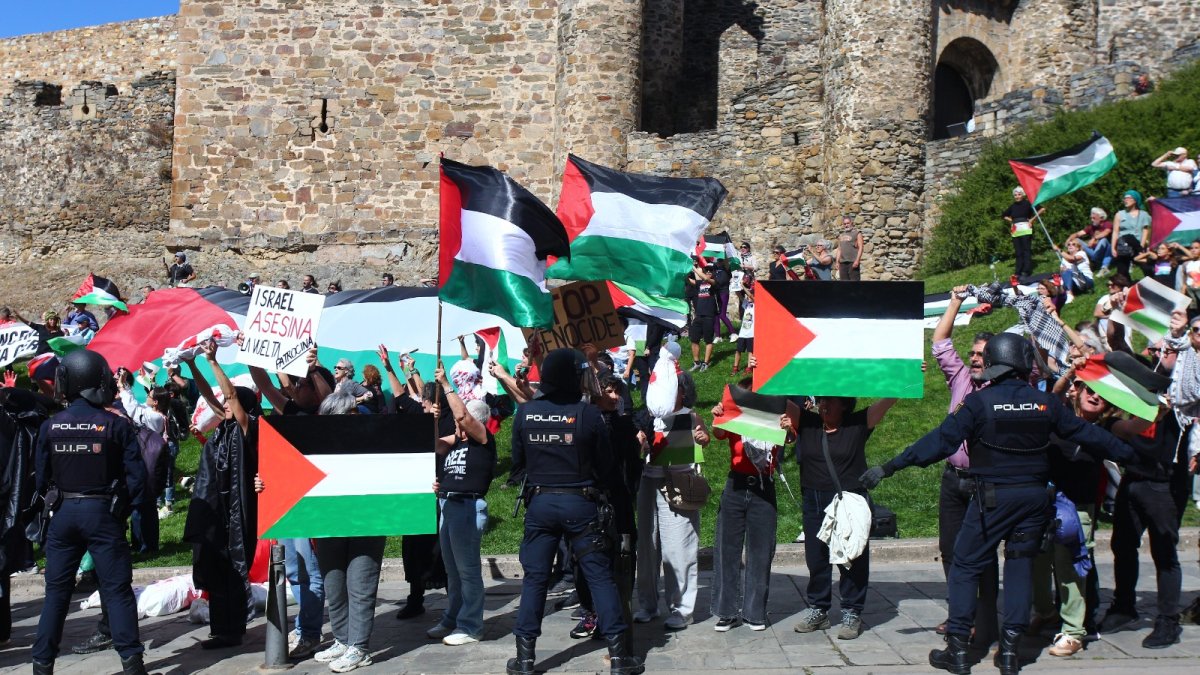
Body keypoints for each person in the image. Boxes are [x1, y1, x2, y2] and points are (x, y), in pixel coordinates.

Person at [860, 333, 1136, 675]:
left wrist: (889, 467)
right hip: (1034, 502)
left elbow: (940, 442)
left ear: (992, 363)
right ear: (1023, 362)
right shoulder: (1044, 403)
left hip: (991, 500)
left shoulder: (979, 403)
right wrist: (1134, 456)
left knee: (964, 566)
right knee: (1019, 567)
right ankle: (1009, 652)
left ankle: (958, 650)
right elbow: (1090, 435)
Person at [506, 348, 643, 675]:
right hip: (581, 504)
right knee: (600, 578)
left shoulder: (525, 413)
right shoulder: (588, 415)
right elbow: (607, 467)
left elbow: (516, 466)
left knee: (535, 579)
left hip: (539, 504)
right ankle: (619, 657)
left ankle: (525, 658)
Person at [32, 350, 149, 675]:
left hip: (64, 513)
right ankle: (132, 664)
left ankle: (42, 666)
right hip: (103, 514)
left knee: (56, 595)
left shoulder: (50, 426)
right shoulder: (115, 425)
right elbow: (138, 480)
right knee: (117, 591)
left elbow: (41, 479)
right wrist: (122, 511)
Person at [1101, 311, 1197, 649]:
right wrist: (1116, 312)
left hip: (1165, 483)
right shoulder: (1144, 381)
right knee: (1122, 545)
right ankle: (1123, 606)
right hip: (1135, 477)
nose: (1160, 354)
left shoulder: (1187, 389)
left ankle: (1167, 620)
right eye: (1156, 351)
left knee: (1163, 551)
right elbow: (1114, 347)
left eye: (1167, 351)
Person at [784, 394, 896, 640]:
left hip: (847, 501)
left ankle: (852, 611)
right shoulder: (808, 422)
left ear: (845, 404)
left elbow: (888, 400)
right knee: (816, 558)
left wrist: (907, 374)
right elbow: (777, 399)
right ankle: (819, 609)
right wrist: (761, 371)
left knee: (852, 559)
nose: (824, 404)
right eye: (822, 400)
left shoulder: (858, 423)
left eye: (831, 400)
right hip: (813, 501)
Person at [181, 340, 260, 650]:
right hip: (218, 510)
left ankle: (233, 629)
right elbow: (210, 396)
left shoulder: (247, 427)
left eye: (230, 403)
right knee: (215, 568)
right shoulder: (224, 427)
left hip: (237, 509)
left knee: (232, 570)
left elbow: (229, 396)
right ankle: (220, 629)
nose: (224, 406)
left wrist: (213, 361)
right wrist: (191, 365)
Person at [930, 287, 999, 638]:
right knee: (950, 550)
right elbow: (940, 341)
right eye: (972, 353)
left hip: (983, 482)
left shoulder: (1000, 390)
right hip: (952, 478)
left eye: (981, 355)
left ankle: (986, 619)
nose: (974, 359)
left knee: (982, 553)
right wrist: (955, 302)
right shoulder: (959, 379)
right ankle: (961, 613)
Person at [634, 369, 709, 630]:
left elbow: (704, 439)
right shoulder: (646, 417)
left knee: (679, 547)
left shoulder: (690, 417)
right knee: (646, 546)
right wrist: (639, 441)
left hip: (678, 484)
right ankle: (647, 603)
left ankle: (681, 609)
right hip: (648, 482)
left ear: (683, 392)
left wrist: (702, 437)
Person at [427, 366, 495, 646]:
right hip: (448, 504)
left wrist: (445, 384)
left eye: (460, 422)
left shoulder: (483, 440)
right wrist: (429, 420)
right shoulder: (454, 443)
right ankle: (453, 617)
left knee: (467, 570)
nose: (456, 424)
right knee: (451, 569)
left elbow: (462, 415)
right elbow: (432, 446)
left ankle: (471, 626)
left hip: (468, 508)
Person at [709, 381, 783, 632]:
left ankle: (755, 613)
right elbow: (719, 434)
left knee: (761, 551)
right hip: (736, 484)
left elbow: (791, 436)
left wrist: (787, 427)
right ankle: (725, 612)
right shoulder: (737, 413)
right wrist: (718, 417)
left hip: (764, 485)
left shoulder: (773, 413)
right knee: (726, 549)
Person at [1003, 187, 1043, 279]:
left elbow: (1041, 209)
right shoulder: (1012, 206)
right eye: (1015, 195)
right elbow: (1004, 215)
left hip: (1026, 228)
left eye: (1019, 194)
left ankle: (1026, 271)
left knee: (1026, 250)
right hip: (1016, 230)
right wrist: (1012, 221)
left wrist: (1032, 220)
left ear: (1023, 195)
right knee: (1018, 251)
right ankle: (1018, 271)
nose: (1017, 196)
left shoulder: (1028, 203)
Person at [1111, 190, 1150, 279]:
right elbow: (1115, 231)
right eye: (1124, 198)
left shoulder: (1144, 214)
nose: (1126, 200)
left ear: (1135, 200)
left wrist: (1142, 246)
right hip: (1124, 245)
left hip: (1138, 245)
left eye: (1128, 198)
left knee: (1146, 267)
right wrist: (1113, 247)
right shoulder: (1119, 214)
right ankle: (1126, 286)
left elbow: (1145, 230)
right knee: (1122, 272)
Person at [687, 263, 717, 371]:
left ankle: (706, 363)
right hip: (698, 315)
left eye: (710, 271)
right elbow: (690, 281)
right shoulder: (700, 283)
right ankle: (697, 362)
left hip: (709, 315)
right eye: (707, 270)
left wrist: (693, 268)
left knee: (708, 340)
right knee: (694, 340)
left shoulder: (714, 282)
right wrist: (684, 272)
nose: (708, 272)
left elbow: (706, 278)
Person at [1068, 208, 1113, 275]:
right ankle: (1075, 262)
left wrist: (1094, 238)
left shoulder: (1107, 224)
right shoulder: (1091, 227)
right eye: (1091, 218)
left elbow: (1106, 233)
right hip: (1093, 252)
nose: (1092, 220)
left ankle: (1097, 264)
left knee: (1104, 240)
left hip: (1105, 252)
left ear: (1101, 218)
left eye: (1094, 218)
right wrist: (1070, 238)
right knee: (1076, 240)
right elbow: (1078, 234)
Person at [710, 258, 735, 343]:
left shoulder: (726, 268)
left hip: (724, 292)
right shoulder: (714, 269)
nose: (719, 262)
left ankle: (733, 333)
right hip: (716, 292)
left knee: (722, 314)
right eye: (718, 261)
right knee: (716, 314)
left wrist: (724, 251)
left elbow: (727, 263)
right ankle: (718, 336)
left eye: (720, 261)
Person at [731, 284, 754, 375]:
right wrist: (735, 285)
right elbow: (739, 295)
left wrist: (744, 288)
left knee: (750, 351)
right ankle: (735, 367)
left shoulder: (757, 305)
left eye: (749, 296)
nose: (748, 297)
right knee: (738, 351)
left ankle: (749, 368)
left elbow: (751, 296)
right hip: (742, 333)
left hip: (751, 333)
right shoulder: (747, 305)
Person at [730, 241, 757, 316]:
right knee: (740, 299)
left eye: (745, 247)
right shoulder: (738, 257)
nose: (743, 248)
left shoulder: (752, 257)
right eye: (741, 247)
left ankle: (752, 315)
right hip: (740, 280)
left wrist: (746, 266)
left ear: (748, 249)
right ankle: (743, 317)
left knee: (751, 297)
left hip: (749, 281)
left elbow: (755, 267)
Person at [836, 215, 864, 281]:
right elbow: (839, 249)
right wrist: (837, 262)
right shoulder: (841, 235)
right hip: (843, 263)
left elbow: (861, 247)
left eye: (848, 223)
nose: (846, 225)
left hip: (852, 261)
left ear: (851, 223)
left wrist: (857, 260)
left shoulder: (857, 233)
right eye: (845, 224)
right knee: (844, 284)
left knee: (854, 284)